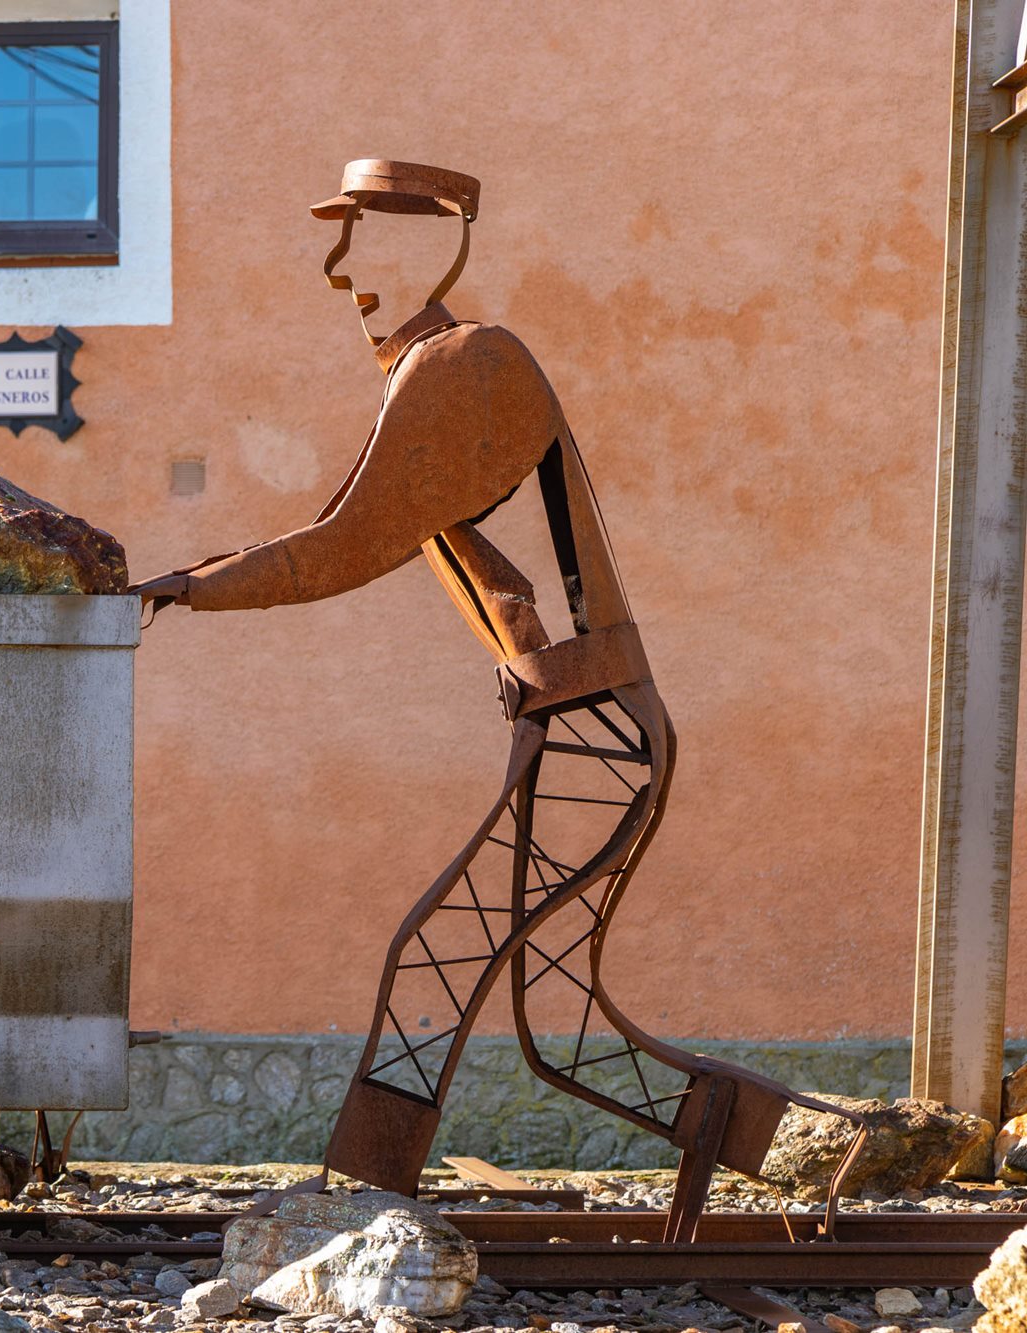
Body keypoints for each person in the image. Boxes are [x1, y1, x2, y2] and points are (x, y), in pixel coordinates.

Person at [132, 160, 862, 1235]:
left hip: (594, 725)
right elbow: (339, 523)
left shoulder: (474, 367)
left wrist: (192, 589)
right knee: (551, 1024)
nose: (339, 268)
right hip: (568, 721)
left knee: (444, 956)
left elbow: (342, 547)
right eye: (335, 240)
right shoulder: (421, 371)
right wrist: (191, 578)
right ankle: (804, 1148)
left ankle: (364, 1203)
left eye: (363, 238)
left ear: (441, 238)